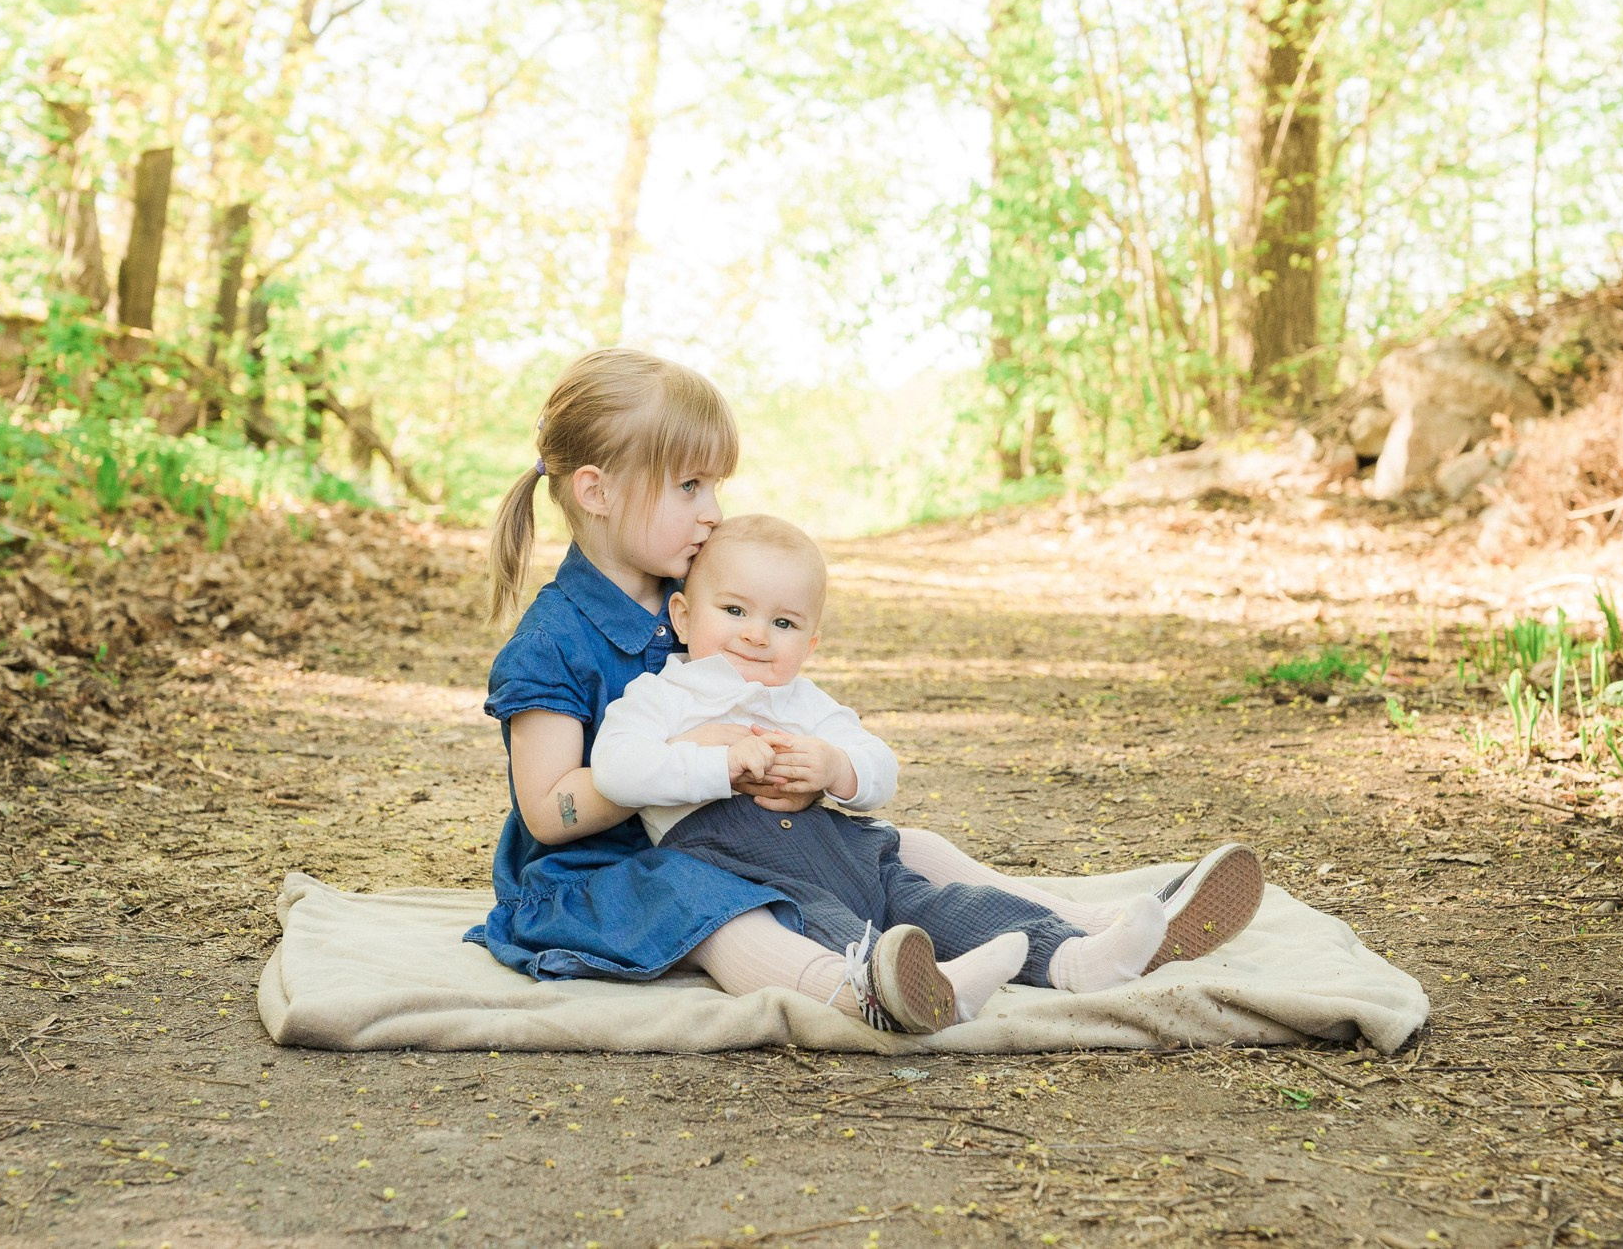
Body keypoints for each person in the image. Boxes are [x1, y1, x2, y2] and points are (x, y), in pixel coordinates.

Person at [469, 347, 1260, 1033]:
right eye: (689, 487)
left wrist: (804, 761)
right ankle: (856, 990)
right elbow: (548, 810)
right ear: (598, 491)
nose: (713, 512)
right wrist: (697, 758)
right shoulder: (554, 639)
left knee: (891, 849)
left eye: (715, 486)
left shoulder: (698, 595)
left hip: (735, 827)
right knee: (711, 902)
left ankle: (1091, 931)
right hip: (605, 871)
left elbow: (780, 686)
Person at [591, 513, 1240, 1027]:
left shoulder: (806, 702)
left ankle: (1075, 958)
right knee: (821, 924)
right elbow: (616, 769)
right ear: (682, 615)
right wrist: (718, 762)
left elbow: (881, 769)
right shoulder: (663, 696)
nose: (757, 634)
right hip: (735, 864)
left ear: (810, 641)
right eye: (734, 610)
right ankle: (920, 991)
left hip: (836, 846)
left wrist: (834, 765)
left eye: (783, 622)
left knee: (946, 903)